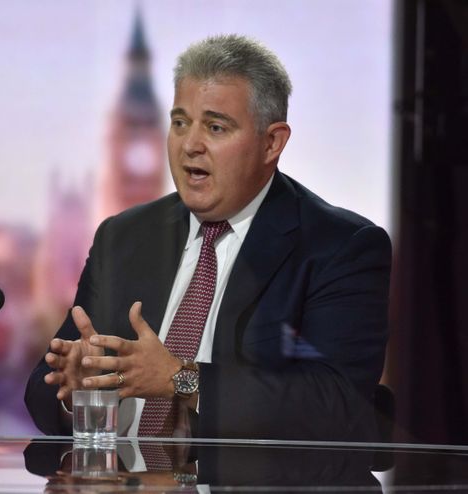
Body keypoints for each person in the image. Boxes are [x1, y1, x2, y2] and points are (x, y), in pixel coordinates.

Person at [25, 34, 391, 441]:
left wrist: (183, 381)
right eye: (180, 123)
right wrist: (74, 390)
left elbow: (337, 403)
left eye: (215, 127)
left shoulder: (340, 248)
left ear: (272, 142)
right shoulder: (124, 237)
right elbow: (43, 386)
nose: (190, 146)